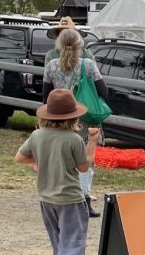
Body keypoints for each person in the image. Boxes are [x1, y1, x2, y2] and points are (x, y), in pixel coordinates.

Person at [14, 88, 98, 255]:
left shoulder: (37, 135)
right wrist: (92, 142)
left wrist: (43, 158)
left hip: (46, 199)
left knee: (59, 242)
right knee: (72, 243)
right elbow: (83, 167)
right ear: (73, 116)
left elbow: (19, 157)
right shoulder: (73, 139)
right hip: (70, 199)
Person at [42, 28, 108, 218]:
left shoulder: (52, 66)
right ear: (81, 45)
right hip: (84, 119)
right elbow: (104, 92)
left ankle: (61, 199)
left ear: (59, 45)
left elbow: (46, 97)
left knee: (61, 159)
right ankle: (84, 200)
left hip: (59, 120)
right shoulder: (88, 65)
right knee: (86, 160)